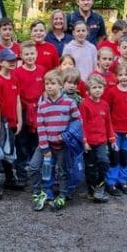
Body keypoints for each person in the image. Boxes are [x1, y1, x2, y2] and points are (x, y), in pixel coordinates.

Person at [30, 70, 80, 211]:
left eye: (53, 83)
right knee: (34, 166)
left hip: (63, 145)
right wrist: (45, 148)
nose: (49, 86)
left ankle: (63, 195)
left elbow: (77, 121)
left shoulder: (69, 103)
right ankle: (39, 192)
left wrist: (66, 135)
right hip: (46, 144)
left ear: (61, 86)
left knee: (63, 171)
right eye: (47, 84)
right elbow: (40, 127)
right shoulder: (43, 105)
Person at [104, 63, 127, 195]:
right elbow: (106, 113)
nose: (124, 77)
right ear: (116, 76)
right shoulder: (111, 92)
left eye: (126, 74)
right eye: (121, 75)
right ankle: (111, 182)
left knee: (125, 156)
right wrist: (110, 131)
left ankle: (123, 181)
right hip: (114, 132)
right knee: (115, 156)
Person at [11, 41, 45, 186]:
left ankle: (35, 172)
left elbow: (45, 89)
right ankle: (22, 174)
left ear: (36, 54)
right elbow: (16, 95)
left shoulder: (42, 70)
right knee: (21, 143)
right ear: (21, 56)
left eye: (32, 53)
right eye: (27, 54)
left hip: (39, 111)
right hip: (23, 112)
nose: (30, 57)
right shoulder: (17, 73)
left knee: (36, 143)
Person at [80, 74, 117, 203]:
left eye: (100, 87)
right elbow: (82, 124)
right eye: (94, 87)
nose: (97, 90)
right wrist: (84, 141)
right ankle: (91, 191)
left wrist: (112, 140)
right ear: (89, 89)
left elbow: (108, 123)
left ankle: (100, 187)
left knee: (103, 162)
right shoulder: (84, 104)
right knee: (90, 168)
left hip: (101, 141)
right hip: (89, 143)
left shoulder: (105, 105)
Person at [0, 48, 23, 193]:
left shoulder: (15, 78)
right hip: (2, 121)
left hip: (12, 121)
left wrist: (19, 121)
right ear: (1, 62)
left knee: (10, 149)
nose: (12, 62)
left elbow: (17, 101)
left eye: (14, 60)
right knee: (2, 150)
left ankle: (10, 178)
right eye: (9, 60)